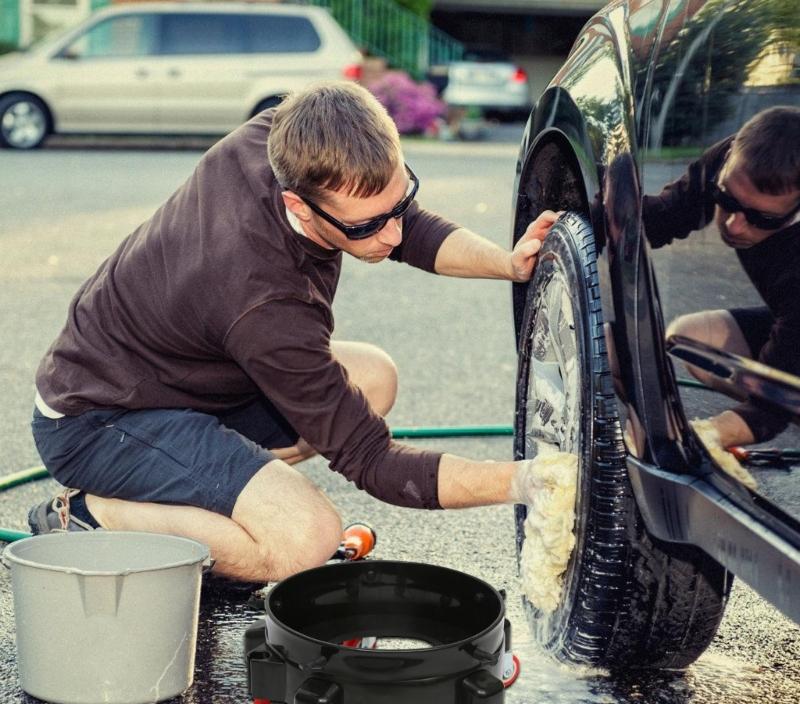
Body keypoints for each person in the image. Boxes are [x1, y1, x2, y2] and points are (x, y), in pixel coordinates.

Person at [28, 81, 558, 582]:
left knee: (374, 377)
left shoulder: (287, 134)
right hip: (99, 420)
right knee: (305, 540)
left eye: (398, 203)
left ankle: (201, 498)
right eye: (367, 227)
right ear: (297, 205)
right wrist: (523, 481)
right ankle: (91, 515)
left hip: (180, 381)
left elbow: (407, 227)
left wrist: (507, 263)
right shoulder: (265, 301)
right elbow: (371, 460)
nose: (393, 234)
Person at [643, 106, 800, 448]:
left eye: (762, 219)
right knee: (693, 341)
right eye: (727, 200)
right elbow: (662, 217)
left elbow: (772, 402)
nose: (733, 225)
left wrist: (696, 440)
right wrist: (571, 213)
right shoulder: (733, 162)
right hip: (792, 326)